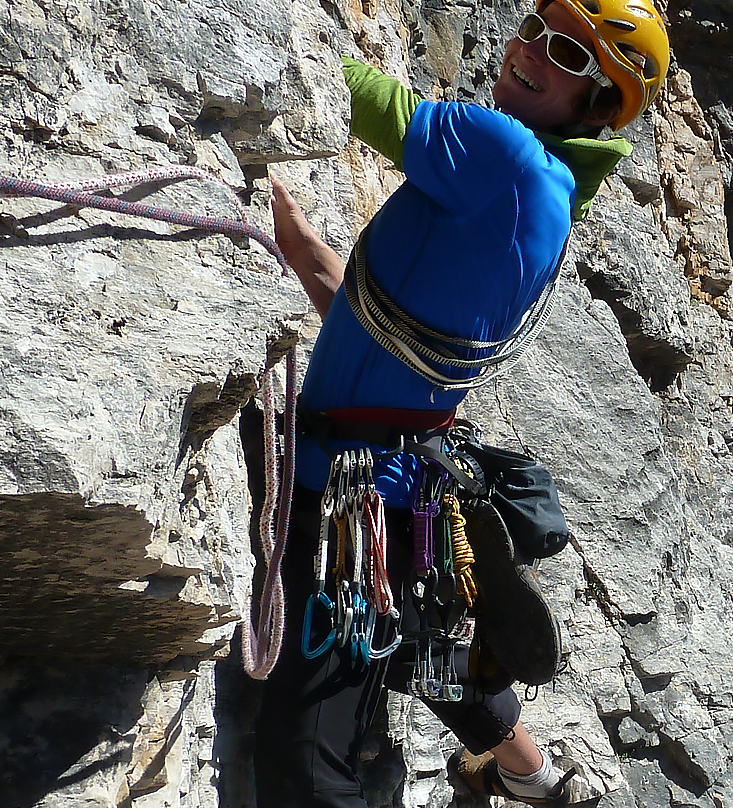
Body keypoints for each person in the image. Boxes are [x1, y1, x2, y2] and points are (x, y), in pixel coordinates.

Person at [253, 2, 669, 806]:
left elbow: (353, 94)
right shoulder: (546, 192)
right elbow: (399, 327)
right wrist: (305, 251)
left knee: (306, 764)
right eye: (535, 27)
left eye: (568, 55)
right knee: (421, 637)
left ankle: (525, 774)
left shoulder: (504, 152)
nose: (529, 52)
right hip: (401, 478)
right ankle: (533, 775)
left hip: (348, 495)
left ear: (598, 103)